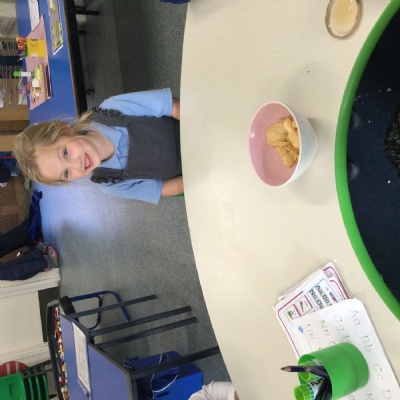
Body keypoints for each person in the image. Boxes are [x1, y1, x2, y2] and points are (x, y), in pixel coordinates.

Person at [14, 88, 183, 204]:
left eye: (65, 153)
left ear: (63, 128)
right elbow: (163, 188)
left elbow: (173, 106)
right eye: (66, 173)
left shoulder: (113, 109)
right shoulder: (110, 184)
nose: (76, 165)